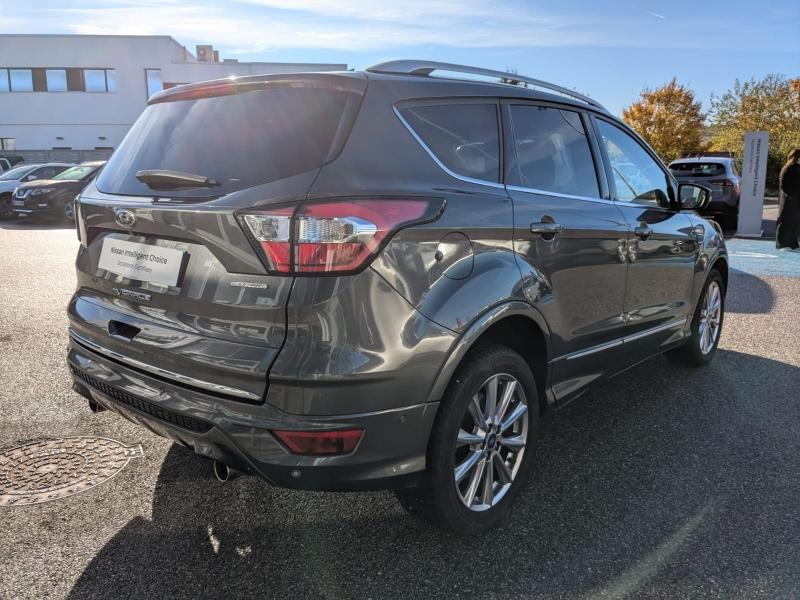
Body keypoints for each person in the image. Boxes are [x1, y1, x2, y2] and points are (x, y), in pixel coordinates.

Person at [776, 148, 800, 251]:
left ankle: (793, 243)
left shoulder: (797, 168)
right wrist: (791, 195)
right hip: (789, 198)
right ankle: (783, 243)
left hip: (797, 198)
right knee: (786, 220)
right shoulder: (788, 168)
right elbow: (783, 185)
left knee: (796, 222)